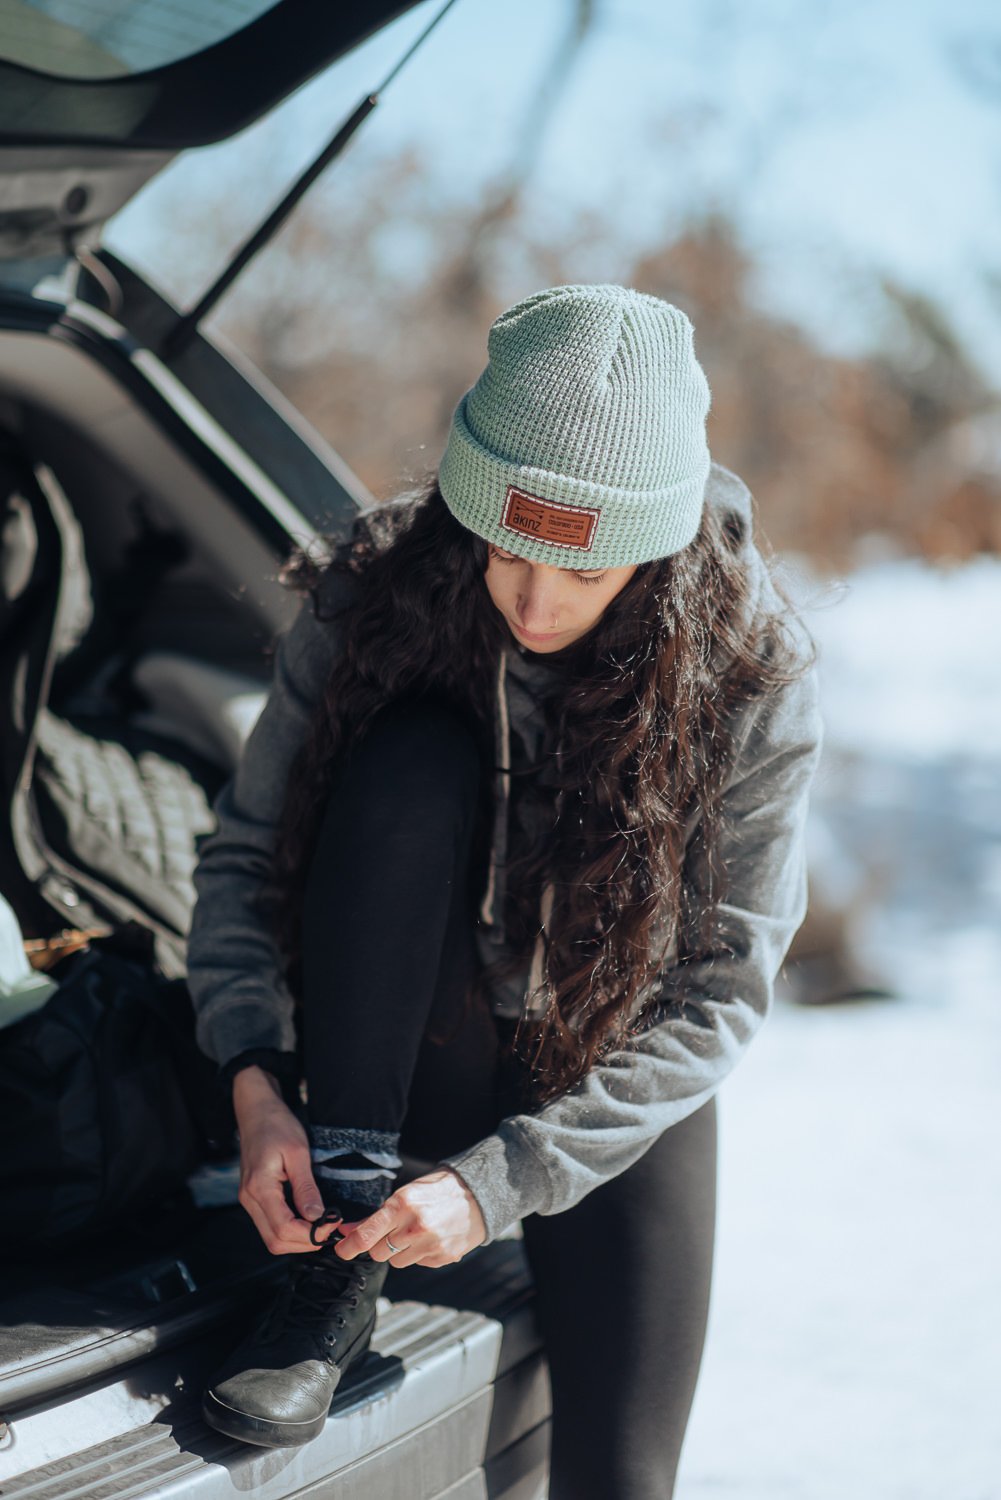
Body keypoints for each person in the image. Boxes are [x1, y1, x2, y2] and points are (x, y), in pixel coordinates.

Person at [186, 283, 823, 1496]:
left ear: (659, 543)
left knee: (620, 1480)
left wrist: (497, 1188)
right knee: (410, 760)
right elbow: (243, 856)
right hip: (403, 1045)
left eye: (582, 573)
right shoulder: (376, 589)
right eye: (510, 550)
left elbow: (719, 990)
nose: (534, 603)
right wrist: (254, 1080)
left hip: (601, 1069)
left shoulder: (749, 663)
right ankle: (339, 1257)